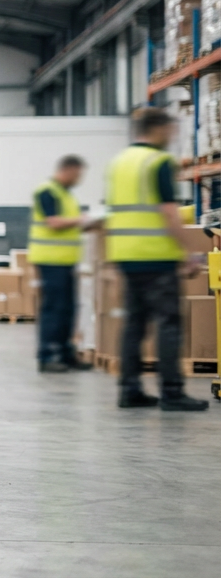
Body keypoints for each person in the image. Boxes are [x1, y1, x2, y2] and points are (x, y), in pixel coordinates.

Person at [104, 107, 208, 411]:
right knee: (168, 324)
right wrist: (186, 254)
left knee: (134, 325)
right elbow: (168, 214)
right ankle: (172, 392)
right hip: (157, 257)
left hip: (126, 257)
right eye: (171, 130)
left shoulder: (119, 163)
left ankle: (129, 390)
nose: (173, 136)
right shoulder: (159, 162)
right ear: (158, 129)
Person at [29, 155, 95, 373]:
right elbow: (54, 222)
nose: (78, 180)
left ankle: (66, 354)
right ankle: (48, 356)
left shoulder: (66, 195)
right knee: (54, 309)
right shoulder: (47, 191)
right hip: (50, 260)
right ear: (67, 170)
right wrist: (82, 219)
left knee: (68, 309)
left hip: (66, 261)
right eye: (77, 175)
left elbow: (70, 225)